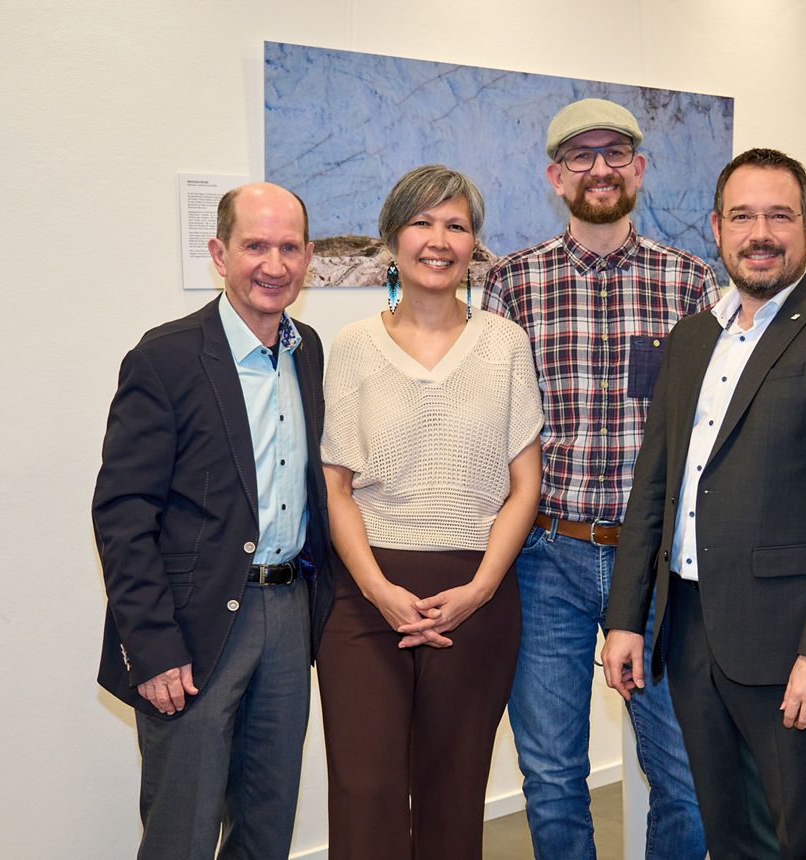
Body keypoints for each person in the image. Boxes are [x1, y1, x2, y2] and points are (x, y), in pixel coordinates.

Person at [601, 148, 806, 859]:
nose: (759, 233)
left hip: (790, 639)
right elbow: (655, 488)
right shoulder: (691, 338)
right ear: (716, 227)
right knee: (731, 837)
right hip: (692, 630)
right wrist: (626, 620)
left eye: (778, 215)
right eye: (742, 216)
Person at [482, 97, 718, 859]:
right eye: (580, 156)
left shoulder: (689, 284)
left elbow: (711, 427)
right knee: (552, 773)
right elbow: (493, 430)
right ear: (556, 176)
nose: (600, 168)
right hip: (545, 557)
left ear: (639, 169)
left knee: (682, 774)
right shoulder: (512, 285)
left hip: (653, 562)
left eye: (616, 153)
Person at [92, 182, 336, 859]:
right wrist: (152, 645)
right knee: (185, 829)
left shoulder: (308, 349)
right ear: (218, 253)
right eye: (255, 245)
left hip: (289, 615)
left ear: (309, 256)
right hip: (193, 627)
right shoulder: (166, 358)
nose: (274, 263)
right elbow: (122, 511)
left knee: (268, 819)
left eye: (289, 247)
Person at [316, 164, 543, 859]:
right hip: (364, 596)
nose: (438, 239)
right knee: (365, 794)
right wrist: (380, 593)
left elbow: (524, 486)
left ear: (474, 244)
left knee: (453, 795)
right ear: (392, 239)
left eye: (456, 225)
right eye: (422, 222)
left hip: (475, 595)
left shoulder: (506, 343)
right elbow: (336, 489)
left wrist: (479, 590)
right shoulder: (352, 345)